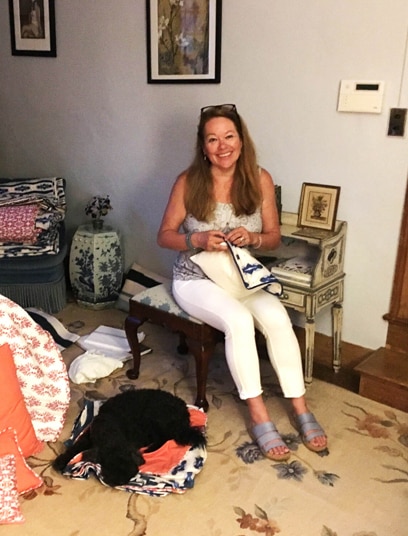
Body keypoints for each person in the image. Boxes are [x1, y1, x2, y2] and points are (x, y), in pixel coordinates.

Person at [157, 103, 327, 461]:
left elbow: (274, 238)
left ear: (241, 139)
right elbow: (165, 236)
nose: (222, 146)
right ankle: (259, 415)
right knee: (239, 322)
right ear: (203, 147)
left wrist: (252, 240)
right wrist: (197, 241)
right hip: (196, 278)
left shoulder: (259, 178)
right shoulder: (188, 182)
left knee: (279, 320)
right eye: (213, 139)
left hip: (241, 276)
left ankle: (300, 407)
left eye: (229, 137)